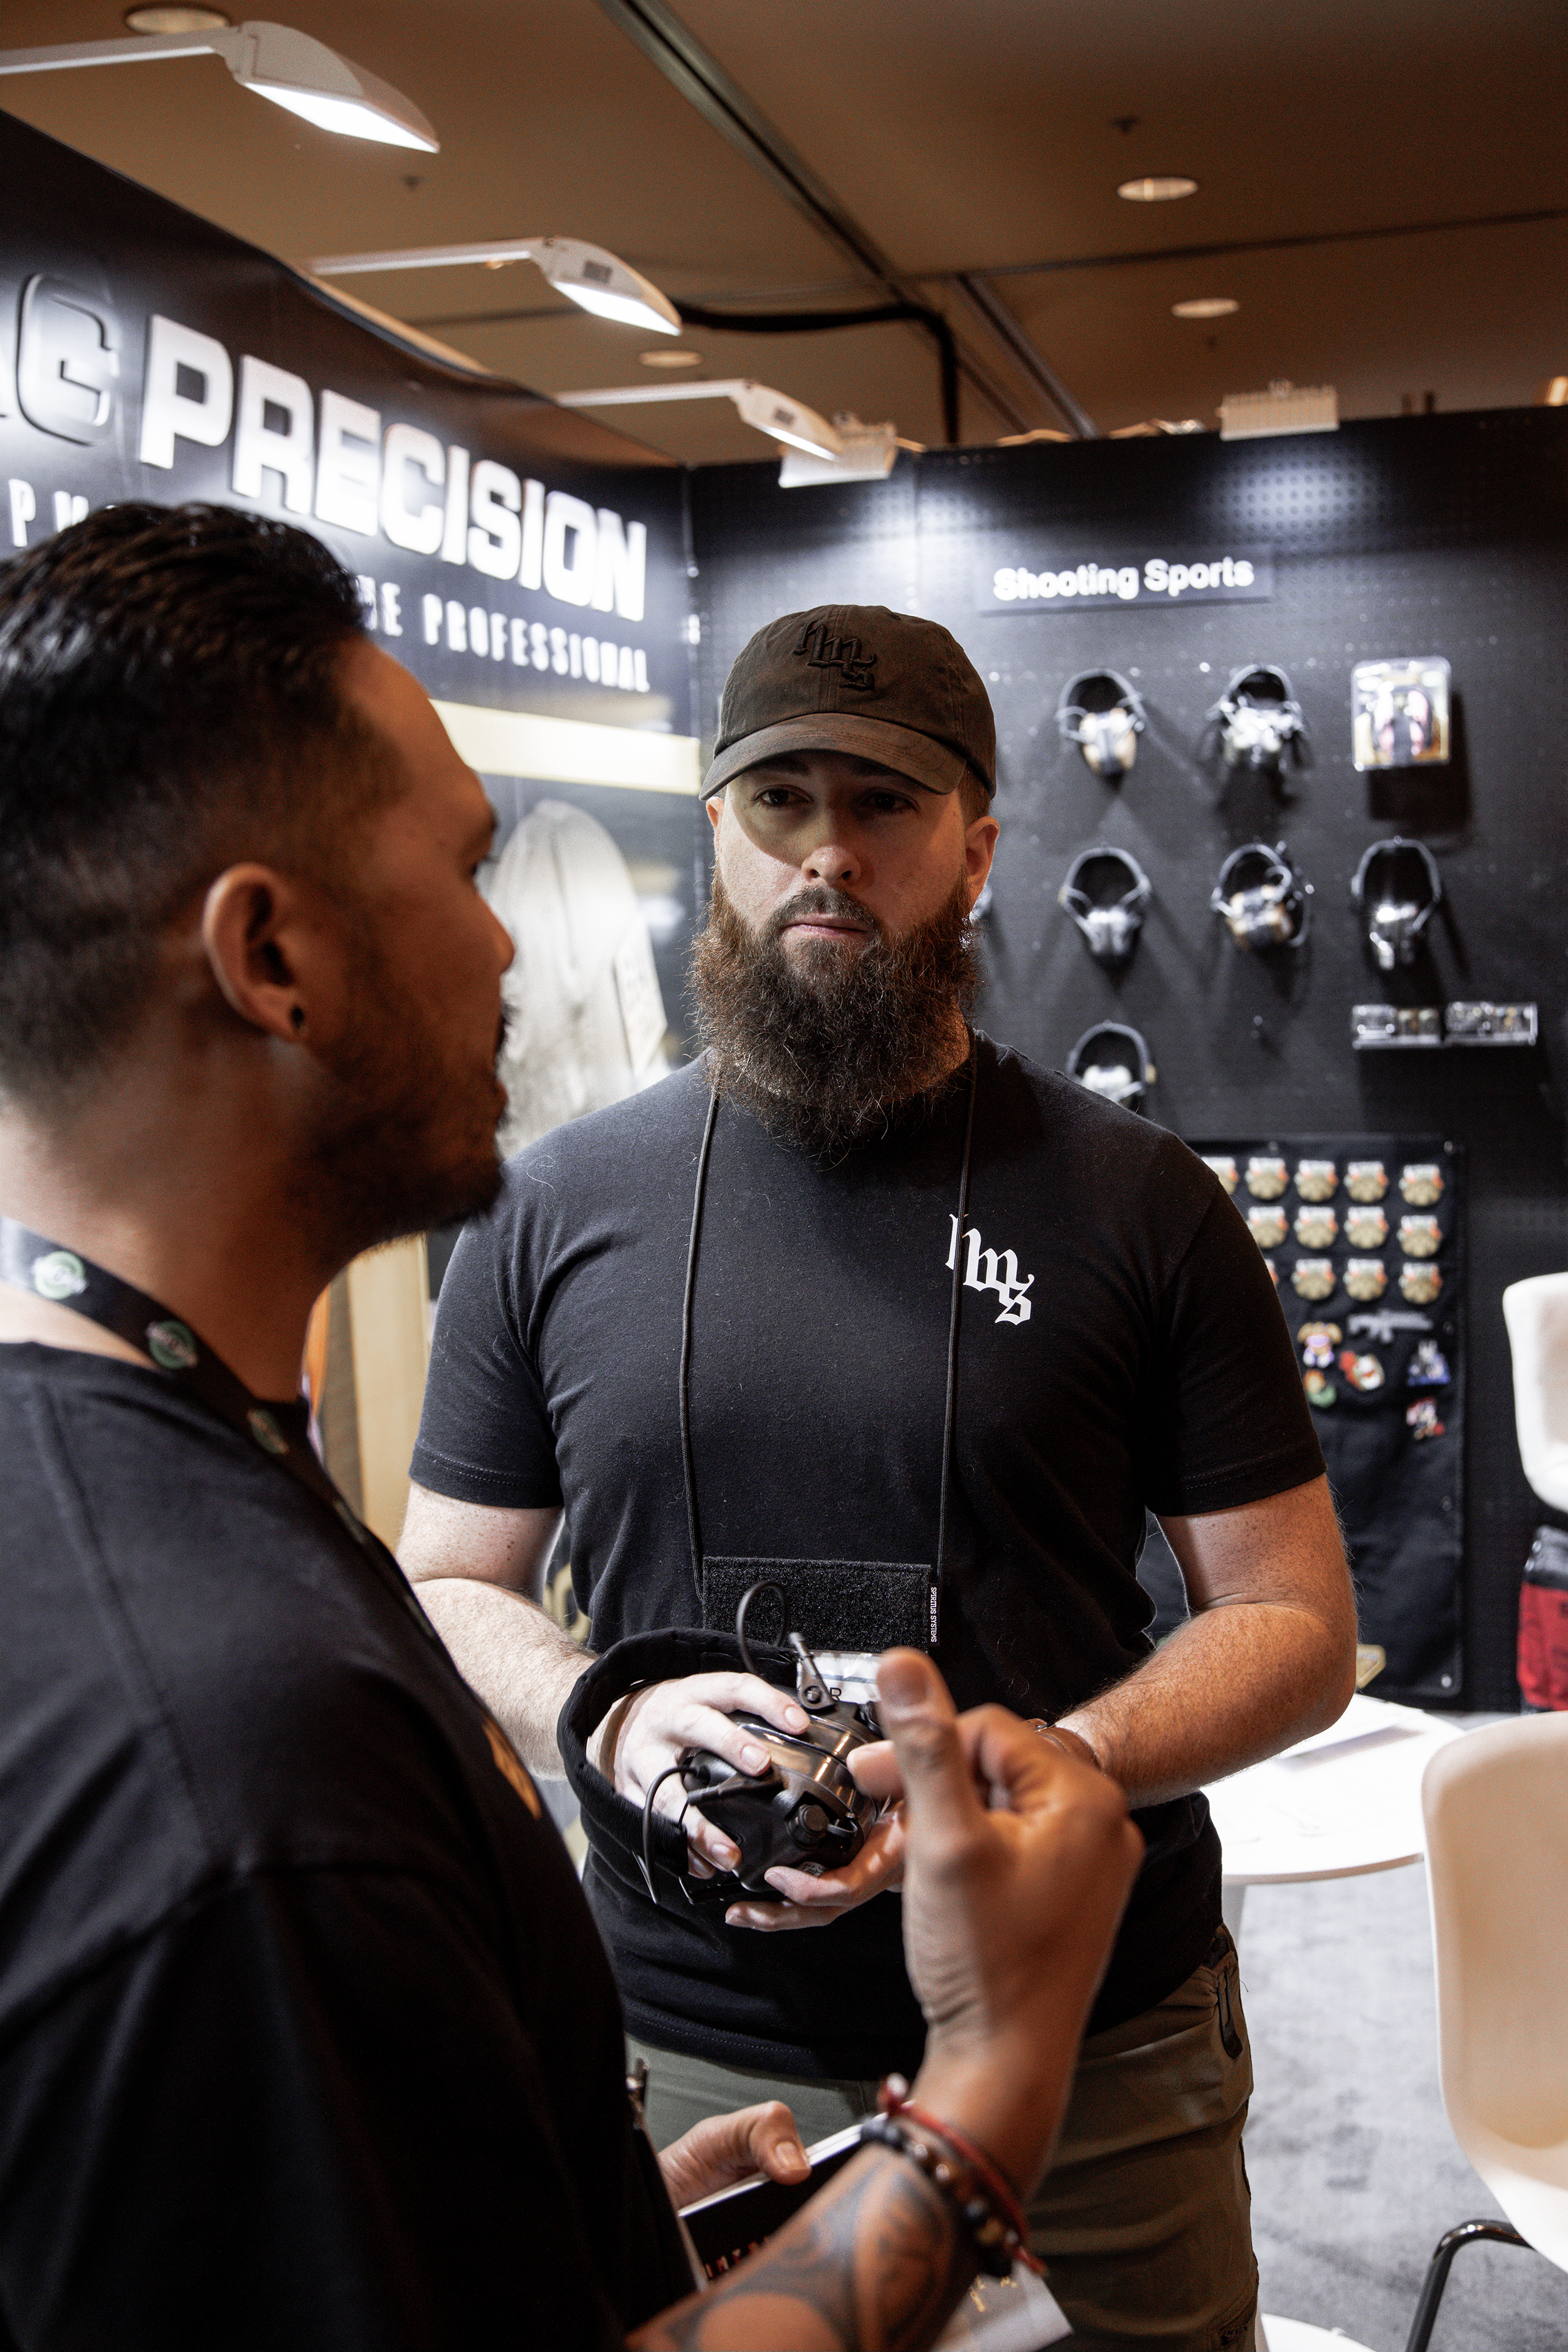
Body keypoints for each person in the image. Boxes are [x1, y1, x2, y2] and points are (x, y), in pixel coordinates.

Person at [0, 508, 1144, 2351]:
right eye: (463, 866)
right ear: (272, 953)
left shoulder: (147, 1493)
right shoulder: (226, 1749)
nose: (515, 948)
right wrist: (989, 2083)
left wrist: (583, 2213)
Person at [402, 603, 1360, 2352]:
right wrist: (601, 1714)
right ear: (716, 832)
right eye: (780, 801)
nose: (828, 853)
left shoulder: (1140, 1203)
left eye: (886, 804)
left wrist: (1067, 1754)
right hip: (696, 2032)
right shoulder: (554, 1205)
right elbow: (446, 1576)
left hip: (1087, 2025)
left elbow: (1295, 1616)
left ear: (977, 850)